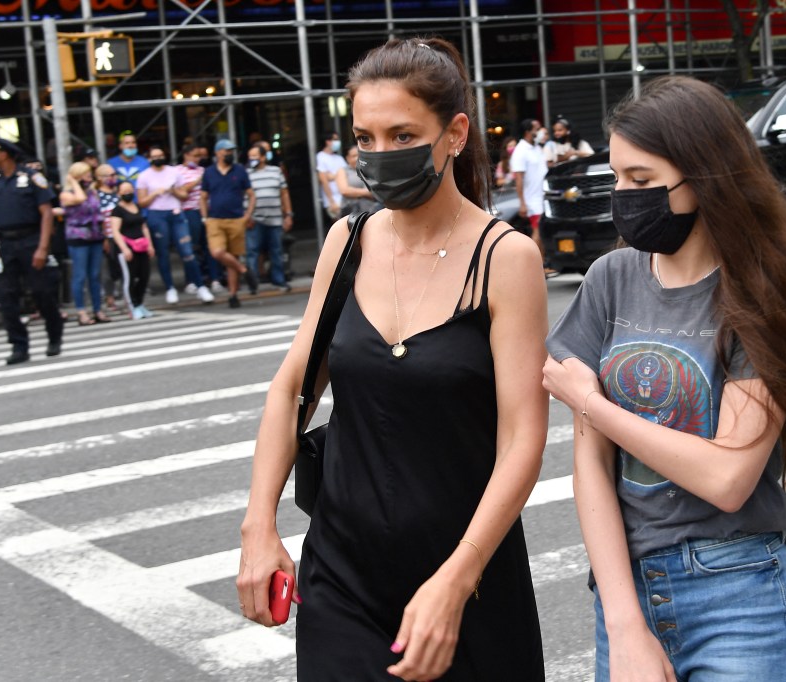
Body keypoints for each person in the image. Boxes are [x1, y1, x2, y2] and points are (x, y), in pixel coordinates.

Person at [543, 76, 786, 682]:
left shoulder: (759, 291)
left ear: (702, 178)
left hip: (738, 592)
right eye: (618, 178)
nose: (623, 196)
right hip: (625, 591)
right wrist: (624, 623)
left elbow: (727, 478)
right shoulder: (609, 279)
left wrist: (595, 406)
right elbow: (592, 470)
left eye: (642, 181)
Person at [236, 37, 548, 681]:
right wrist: (258, 526)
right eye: (365, 138)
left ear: (455, 133)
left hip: (466, 577)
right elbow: (292, 388)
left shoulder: (505, 258)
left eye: (402, 134)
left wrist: (458, 580)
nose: (379, 156)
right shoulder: (347, 242)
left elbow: (523, 437)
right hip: (343, 572)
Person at [0, 136, 64, 364]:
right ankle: (18, 345)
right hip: (5, 244)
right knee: (6, 296)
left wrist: (43, 248)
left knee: (42, 292)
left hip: (31, 240)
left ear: (3, 154)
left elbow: (46, 213)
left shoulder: (32, 178)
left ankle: (54, 335)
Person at [136, 145, 214, 304]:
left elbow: (184, 194)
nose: (158, 158)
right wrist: (154, 194)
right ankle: (170, 288)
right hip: (157, 215)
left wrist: (174, 191)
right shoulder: (144, 176)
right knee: (163, 253)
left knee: (187, 250)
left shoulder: (174, 172)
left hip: (176, 213)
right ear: (150, 159)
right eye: (154, 156)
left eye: (160, 155)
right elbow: (142, 202)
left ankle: (200, 286)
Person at [200, 139, 258, 308]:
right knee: (217, 252)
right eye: (227, 151)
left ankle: (233, 295)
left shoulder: (239, 170)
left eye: (231, 151)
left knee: (233, 255)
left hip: (236, 219)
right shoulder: (209, 172)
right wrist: (204, 217)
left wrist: (247, 215)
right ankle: (244, 270)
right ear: (218, 153)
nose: (230, 154)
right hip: (215, 219)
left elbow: (251, 194)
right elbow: (203, 196)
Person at [60, 161, 110, 326]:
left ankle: (97, 309)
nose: (89, 178)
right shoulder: (66, 194)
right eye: (86, 175)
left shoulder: (92, 192)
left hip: (95, 236)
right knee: (80, 275)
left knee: (95, 275)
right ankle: (81, 310)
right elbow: (79, 199)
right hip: (78, 237)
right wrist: (73, 182)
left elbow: (98, 213)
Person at [245, 144, 293, 293]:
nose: (252, 159)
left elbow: (284, 193)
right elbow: (244, 196)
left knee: (276, 251)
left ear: (263, 157)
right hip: (255, 219)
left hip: (275, 219)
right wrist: (247, 216)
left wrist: (288, 214)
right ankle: (253, 283)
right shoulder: (246, 174)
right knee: (252, 251)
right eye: (250, 156)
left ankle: (279, 281)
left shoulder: (275, 171)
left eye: (255, 156)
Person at [178, 143, 224, 293]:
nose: (199, 159)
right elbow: (181, 191)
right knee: (191, 247)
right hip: (189, 211)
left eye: (200, 156)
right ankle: (192, 281)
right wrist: (198, 181)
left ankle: (215, 279)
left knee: (211, 246)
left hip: (207, 212)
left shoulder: (204, 170)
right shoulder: (177, 171)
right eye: (196, 156)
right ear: (186, 155)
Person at [510, 117, 551, 273]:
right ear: (528, 132)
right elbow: (518, 179)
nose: (540, 131)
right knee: (537, 231)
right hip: (533, 200)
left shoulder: (536, 148)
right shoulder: (520, 152)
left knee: (542, 231)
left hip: (544, 197)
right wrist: (522, 202)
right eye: (537, 128)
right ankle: (535, 267)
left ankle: (541, 265)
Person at [109, 181, 155, 320]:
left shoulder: (137, 207)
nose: (128, 193)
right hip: (127, 247)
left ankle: (140, 303)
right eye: (124, 191)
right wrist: (124, 248)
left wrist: (150, 245)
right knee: (129, 278)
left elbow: (144, 227)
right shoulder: (117, 210)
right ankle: (132, 306)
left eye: (130, 190)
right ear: (119, 193)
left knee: (144, 276)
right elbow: (115, 231)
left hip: (141, 246)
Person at [95, 163, 124, 314]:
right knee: (108, 269)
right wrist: (105, 237)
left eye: (114, 175)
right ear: (99, 178)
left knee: (123, 267)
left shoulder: (119, 193)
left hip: (122, 235)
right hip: (107, 236)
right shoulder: (96, 194)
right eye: (109, 176)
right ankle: (109, 297)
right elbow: (97, 219)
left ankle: (127, 297)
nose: (113, 178)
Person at [334, 143, 380, 216]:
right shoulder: (343, 171)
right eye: (353, 156)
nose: (357, 158)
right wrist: (367, 193)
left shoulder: (369, 170)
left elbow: (378, 192)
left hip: (371, 211)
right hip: (350, 212)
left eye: (359, 155)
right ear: (347, 158)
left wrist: (354, 192)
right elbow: (344, 191)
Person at [315, 130, 346, 221]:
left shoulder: (339, 158)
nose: (337, 142)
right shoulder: (320, 156)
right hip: (333, 200)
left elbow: (346, 174)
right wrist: (331, 202)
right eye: (335, 139)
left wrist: (333, 176)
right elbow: (324, 180)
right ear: (328, 141)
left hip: (345, 198)